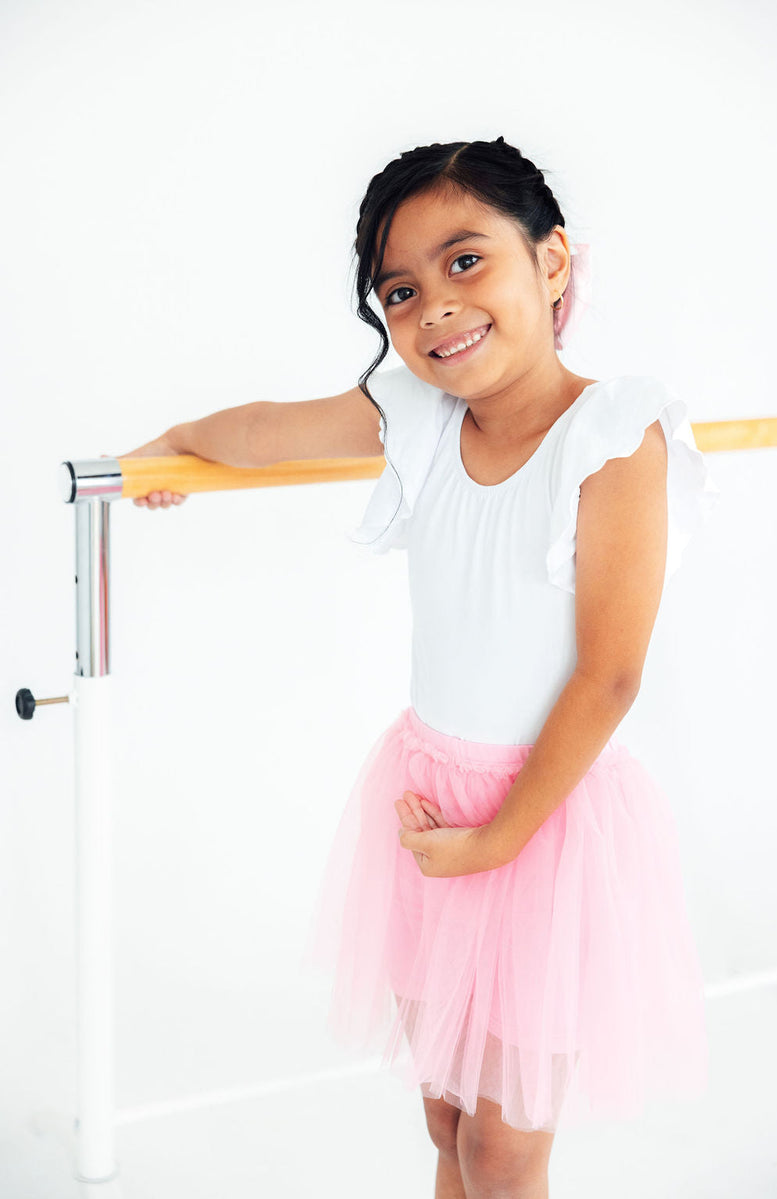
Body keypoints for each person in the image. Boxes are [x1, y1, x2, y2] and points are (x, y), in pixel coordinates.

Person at [120, 137, 722, 1199]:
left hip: (543, 818)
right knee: (443, 1115)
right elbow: (268, 429)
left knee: (502, 1144)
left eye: (463, 260)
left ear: (549, 263)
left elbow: (608, 676)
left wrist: (499, 834)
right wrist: (173, 442)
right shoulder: (420, 417)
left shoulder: (615, 431)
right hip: (424, 801)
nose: (432, 304)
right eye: (398, 290)